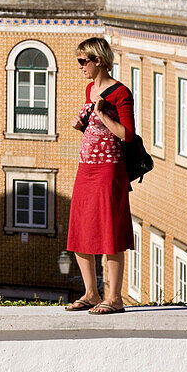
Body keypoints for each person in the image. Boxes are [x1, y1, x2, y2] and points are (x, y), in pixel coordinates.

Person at [64, 37, 135, 314]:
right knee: (81, 229)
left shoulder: (120, 93)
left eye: (83, 61)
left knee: (110, 231)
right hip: (87, 168)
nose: (80, 66)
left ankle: (114, 298)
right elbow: (95, 130)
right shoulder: (90, 89)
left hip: (109, 170)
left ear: (98, 61)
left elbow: (126, 134)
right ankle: (91, 294)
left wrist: (102, 113)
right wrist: (83, 125)